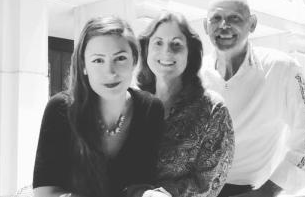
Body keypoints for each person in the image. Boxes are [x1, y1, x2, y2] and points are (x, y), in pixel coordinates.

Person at [200, 0, 305, 197]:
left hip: (250, 191)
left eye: (234, 18)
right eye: (216, 18)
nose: (224, 25)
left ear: (252, 24)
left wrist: (266, 192)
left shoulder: (282, 68)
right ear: (206, 26)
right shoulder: (195, 73)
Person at [33, 16, 164, 197]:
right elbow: (44, 192)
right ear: (83, 65)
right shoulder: (60, 109)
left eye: (120, 58)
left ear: (134, 60)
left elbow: (143, 181)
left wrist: (151, 194)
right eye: (98, 60)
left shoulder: (151, 108)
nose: (110, 72)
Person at [137, 12, 234, 197]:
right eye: (158, 42)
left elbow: (210, 183)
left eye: (176, 44)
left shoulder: (212, 109)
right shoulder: (131, 102)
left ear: (190, 53)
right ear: (146, 49)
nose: (166, 52)